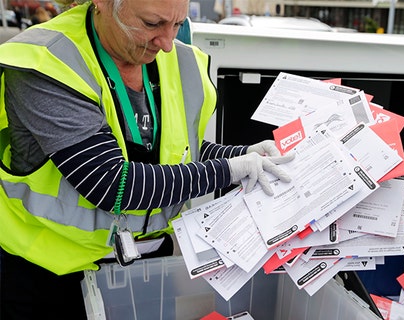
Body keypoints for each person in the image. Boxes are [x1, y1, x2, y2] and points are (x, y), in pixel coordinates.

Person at [0, 0, 293, 318]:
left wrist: (242, 155)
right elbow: (112, 182)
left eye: (177, 24)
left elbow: (178, 151)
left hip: (148, 270)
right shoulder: (50, 62)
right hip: (52, 277)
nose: (167, 43)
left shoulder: (177, 59)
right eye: (152, 24)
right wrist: (227, 170)